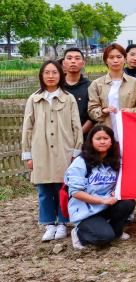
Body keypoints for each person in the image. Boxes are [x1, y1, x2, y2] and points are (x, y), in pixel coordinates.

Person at [22, 60, 83, 242]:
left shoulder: (68, 98)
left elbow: (76, 126)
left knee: (62, 188)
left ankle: (63, 222)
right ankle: (49, 223)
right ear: (41, 76)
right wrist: (28, 154)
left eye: (54, 72)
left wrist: (76, 151)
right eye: (47, 73)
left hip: (64, 149)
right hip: (40, 150)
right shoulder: (34, 99)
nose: (50, 76)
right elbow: (27, 127)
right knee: (44, 189)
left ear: (60, 75)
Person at [66, 125, 136, 250]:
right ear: (91, 141)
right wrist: (102, 200)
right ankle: (79, 233)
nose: (102, 141)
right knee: (104, 238)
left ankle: (116, 232)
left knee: (128, 202)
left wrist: (116, 192)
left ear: (111, 141)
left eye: (106, 138)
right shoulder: (81, 162)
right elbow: (75, 192)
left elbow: (123, 181)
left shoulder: (116, 161)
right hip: (86, 211)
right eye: (98, 138)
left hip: (106, 206)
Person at [87, 44, 136, 140]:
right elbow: (92, 110)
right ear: (106, 60)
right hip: (105, 134)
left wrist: (131, 111)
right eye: (111, 57)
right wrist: (103, 111)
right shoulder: (96, 84)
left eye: (119, 57)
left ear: (125, 59)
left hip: (129, 132)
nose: (115, 60)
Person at [60, 48, 93, 136]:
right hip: (59, 136)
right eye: (69, 58)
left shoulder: (90, 87)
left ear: (83, 63)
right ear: (63, 63)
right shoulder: (57, 86)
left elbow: (92, 116)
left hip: (83, 137)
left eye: (77, 58)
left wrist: (78, 134)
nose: (73, 61)